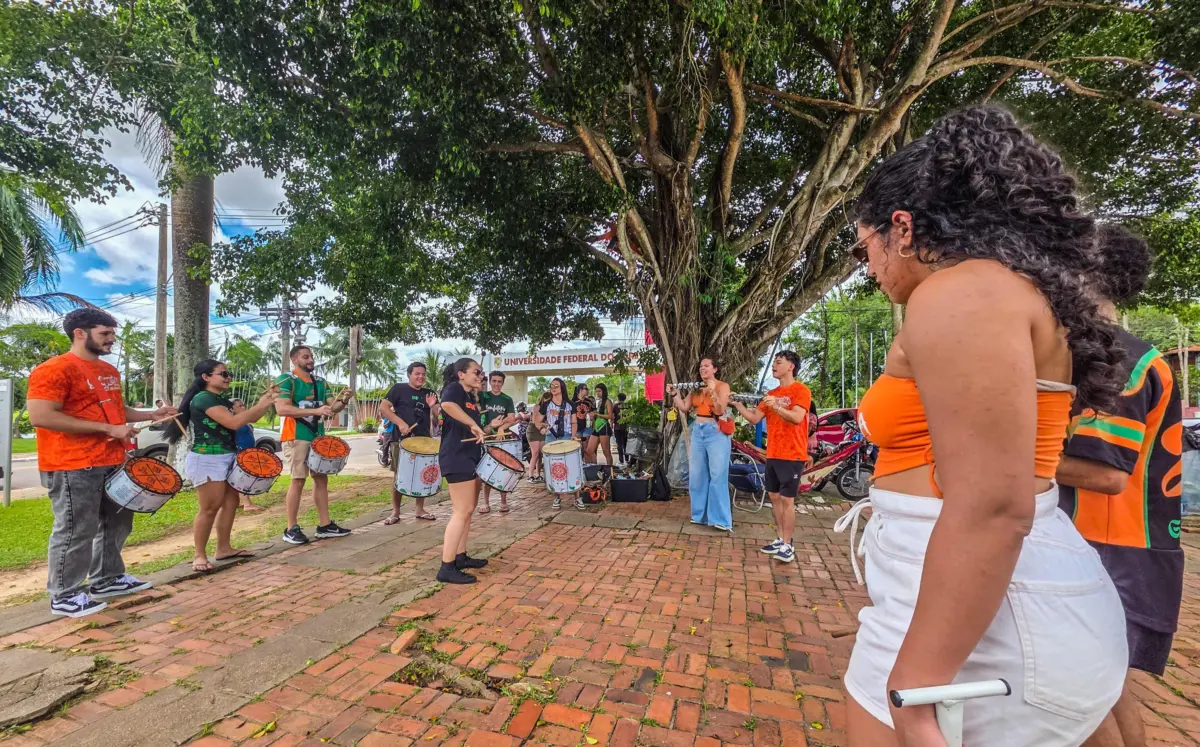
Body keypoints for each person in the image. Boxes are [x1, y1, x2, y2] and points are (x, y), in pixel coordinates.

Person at [835, 105, 1128, 746]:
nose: (870, 268)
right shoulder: (1012, 288)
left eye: (865, 248)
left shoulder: (958, 293)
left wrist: (918, 684)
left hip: (974, 613)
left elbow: (994, 506)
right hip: (987, 594)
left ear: (901, 228)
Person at [1056, 225, 1184, 747]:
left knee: (1075, 696)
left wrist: (1000, 458)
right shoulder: (1114, 351)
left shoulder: (1115, 358)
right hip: (1119, 547)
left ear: (1083, 270)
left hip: (1110, 551)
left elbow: (1104, 473)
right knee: (1108, 690)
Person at [27, 308, 178, 617]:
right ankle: (65, 594)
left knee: (118, 521)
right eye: (105, 333)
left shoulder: (108, 371)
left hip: (112, 459)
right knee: (76, 529)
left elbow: (116, 410)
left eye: (112, 333)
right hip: (71, 463)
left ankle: (107, 578)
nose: (111, 339)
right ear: (80, 333)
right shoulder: (54, 369)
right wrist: (108, 429)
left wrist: (152, 414)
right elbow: (41, 416)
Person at [166, 361, 278, 571]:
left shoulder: (220, 399)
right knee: (210, 508)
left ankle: (223, 548)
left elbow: (246, 419)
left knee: (231, 502)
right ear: (206, 377)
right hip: (207, 458)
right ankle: (199, 555)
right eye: (223, 374)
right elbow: (233, 423)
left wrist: (266, 402)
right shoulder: (204, 398)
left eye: (229, 373)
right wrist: (262, 404)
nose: (228, 377)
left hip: (226, 456)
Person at [731, 351, 811, 563]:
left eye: (778, 362)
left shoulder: (800, 390)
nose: (774, 366)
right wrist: (738, 405)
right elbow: (754, 418)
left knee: (787, 499)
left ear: (791, 366)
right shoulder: (771, 393)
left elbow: (797, 417)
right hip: (773, 453)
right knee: (774, 497)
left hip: (792, 454)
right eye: (774, 362)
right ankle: (780, 539)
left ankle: (788, 544)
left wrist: (776, 405)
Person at [274, 345, 354, 545]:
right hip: (296, 436)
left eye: (311, 356)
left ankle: (325, 525)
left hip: (317, 437)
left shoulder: (320, 382)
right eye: (305, 357)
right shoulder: (286, 380)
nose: (310, 360)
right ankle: (291, 528)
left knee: (321, 478)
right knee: (298, 480)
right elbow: (282, 409)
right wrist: (316, 411)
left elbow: (332, 407)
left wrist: (344, 400)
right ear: (294, 360)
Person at [436, 358, 488, 584]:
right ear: (461, 374)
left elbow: (472, 428)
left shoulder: (469, 398)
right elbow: (447, 405)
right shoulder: (454, 389)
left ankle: (460, 556)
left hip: (469, 456)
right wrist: (473, 424)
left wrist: (487, 427)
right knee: (461, 510)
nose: (480, 376)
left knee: (468, 510)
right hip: (456, 456)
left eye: (481, 373)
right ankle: (446, 567)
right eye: (476, 372)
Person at [668, 358, 732, 533]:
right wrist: (674, 394)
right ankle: (700, 515)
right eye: (701, 366)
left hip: (715, 431)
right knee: (697, 474)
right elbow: (684, 407)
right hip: (698, 430)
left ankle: (721, 519)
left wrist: (712, 392)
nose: (703, 369)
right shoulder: (696, 388)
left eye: (706, 366)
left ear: (715, 369)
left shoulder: (722, 386)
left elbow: (720, 410)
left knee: (717, 474)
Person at [380, 362, 441, 524]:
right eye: (417, 374)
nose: (421, 377)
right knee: (399, 475)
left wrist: (433, 406)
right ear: (409, 375)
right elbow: (384, 408)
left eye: (423, 374)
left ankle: (420, 509)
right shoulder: (398, 389)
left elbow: (439, 417)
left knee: (422, 475)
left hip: (423, 441)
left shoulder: (430, 393)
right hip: (401, 440)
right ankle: (395, 512)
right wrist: (400, 423)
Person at [478, 371, 517, 514]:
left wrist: (502, 427)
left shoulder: (507, 399)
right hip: (486, 438)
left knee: (503, 470)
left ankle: (503, 501)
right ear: (489, 382)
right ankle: (485, 502)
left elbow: (511, 418)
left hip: (502, 440)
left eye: (499, 381)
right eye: (494, 381)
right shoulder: (483, 396)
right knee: (486, 472)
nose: (496, 384)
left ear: (503, 383)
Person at [536, 378, 578, 508]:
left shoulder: (570, 404)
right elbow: (537, 420)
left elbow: (574, 422)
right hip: (551, 438)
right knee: (553, 466)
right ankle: (557, 496)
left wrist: (573, 436)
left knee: (572, 465)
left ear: (562, 388)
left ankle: (577, 497)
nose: (553, 388)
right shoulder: (546, 404)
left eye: (556, 386)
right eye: (551, 386)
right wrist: (542, 428)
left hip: (566, 436)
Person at [230, 398, 264, 512]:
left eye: (243, 405)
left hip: (249, 451)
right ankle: (247, 504)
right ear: (232, 409)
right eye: (240, 406)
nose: (243, 407)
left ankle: (238, 501)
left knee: (243, 477)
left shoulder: (244, 419)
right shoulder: (233, 421)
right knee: (243, 478)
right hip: (241, 452)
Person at [586, 383, 615, 466]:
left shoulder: (608, 401)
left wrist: (597, 414)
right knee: (589, 450)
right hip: (596, 427)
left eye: (599, 391)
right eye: (596, 391)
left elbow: (610, 416)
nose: (598, 393)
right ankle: (594, 468)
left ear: (604, 391)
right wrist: (593, 416)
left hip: (604, 427)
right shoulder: (599, 402)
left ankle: (610, 469)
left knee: (606, 451)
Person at [526, 391, 550, 483]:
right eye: (547, 399)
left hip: (543, 431)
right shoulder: (537, 407)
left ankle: (538, 474)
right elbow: (535, 421)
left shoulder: (549, 408)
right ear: (543, 399)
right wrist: (547, 425)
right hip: (533, 430)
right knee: (535, 453)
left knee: (540, 454)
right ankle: (530, 475)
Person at [572, 384, 594, 454]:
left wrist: (592, 415)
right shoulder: (573, 402)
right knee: (578, 448)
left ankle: (586, 460)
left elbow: (593, 413)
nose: (588, 390)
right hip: (577, 428)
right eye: (586, 389)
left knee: (586, 448)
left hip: (587, 428)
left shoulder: (589, 402)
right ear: (580, 390)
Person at [613, 393, 628, 465]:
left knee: (619, 444)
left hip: (617, 427)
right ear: (625, 398)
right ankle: (627, 459)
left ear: (618, 398)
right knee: (626, 444)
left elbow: (613, 416)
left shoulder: (615, 406)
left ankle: (621, 460)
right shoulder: (628, 406)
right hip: (626, 427)